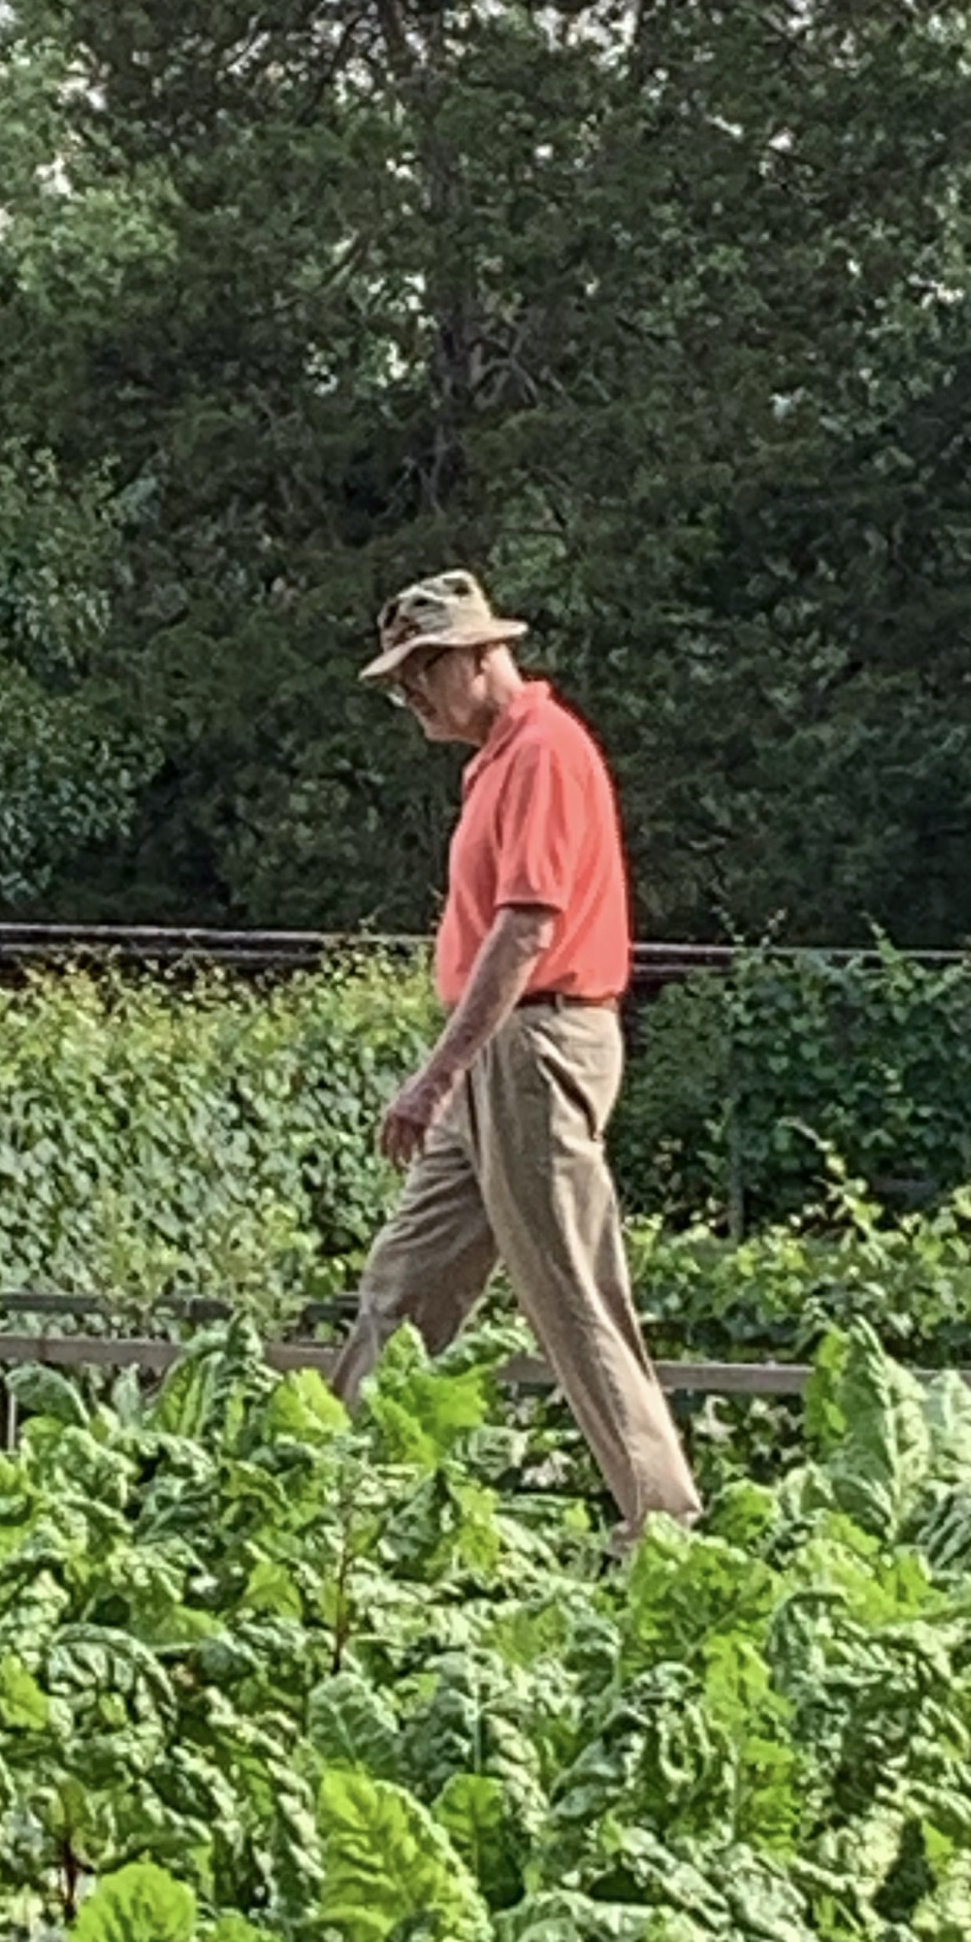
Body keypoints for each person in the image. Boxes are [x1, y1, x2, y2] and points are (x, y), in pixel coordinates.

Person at [336, 568, 702, 1540]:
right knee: (404, 1284)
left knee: (570, 1289)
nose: (410, 695)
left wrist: (436, 1074)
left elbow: (526, 930)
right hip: (503, 1049)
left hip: (535, 1044)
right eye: (401, 679)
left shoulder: (543, 752)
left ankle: (665, 1528)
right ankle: (332, 1504)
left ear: (481, 656)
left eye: (423, 671)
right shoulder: (498, 759)